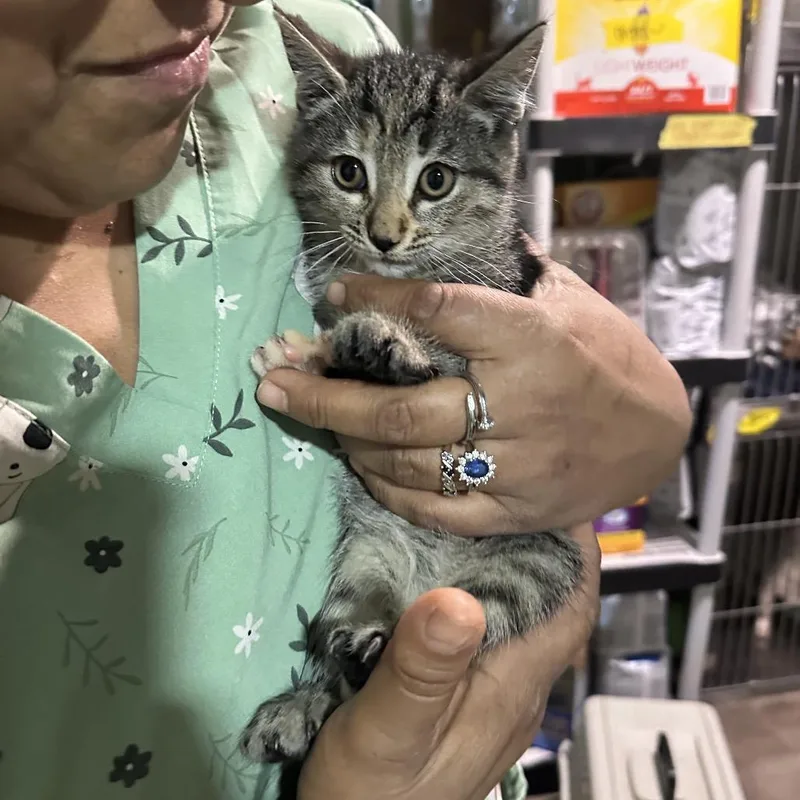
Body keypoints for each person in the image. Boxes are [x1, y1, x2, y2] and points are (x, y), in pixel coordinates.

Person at [0, 1, 691, 799]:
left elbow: (613, 392)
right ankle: (337, 690)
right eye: (354, 176)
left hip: (500, 589)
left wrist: (652, 422)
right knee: (360, 592)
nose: (389, 226)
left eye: (431, 183)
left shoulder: (292, 46)